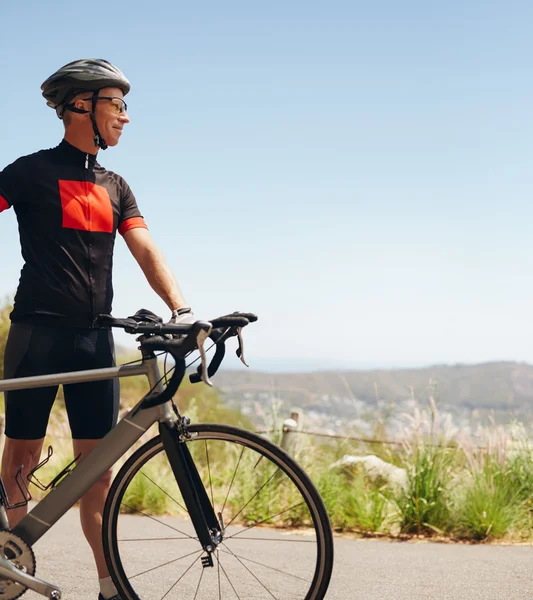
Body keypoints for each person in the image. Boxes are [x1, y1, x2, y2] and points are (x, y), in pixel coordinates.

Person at [0, 59, 193, 600]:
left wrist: (181, 308)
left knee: (97, 472)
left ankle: (109, 586)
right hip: (36, 334)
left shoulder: (115, 185)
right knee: (20, 461)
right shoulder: (31, 171)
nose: (126, 117)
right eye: (118, 103)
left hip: (93, 342)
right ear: (80, 105)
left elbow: (144, 246)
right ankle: (12, 567)